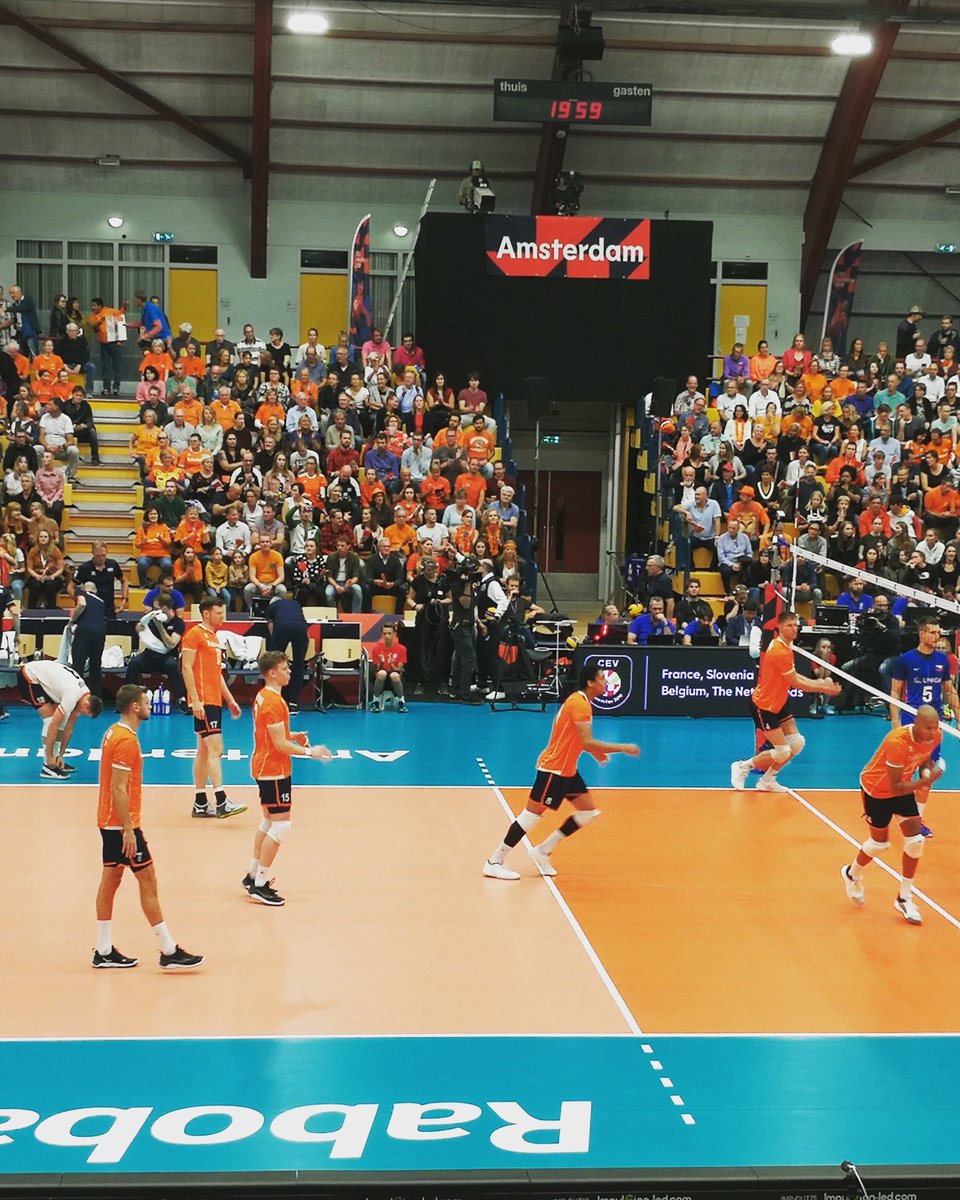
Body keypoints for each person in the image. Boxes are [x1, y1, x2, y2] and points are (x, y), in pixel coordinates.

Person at [483, 664, 640, 880]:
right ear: (590, 683)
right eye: (602, 678)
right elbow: (587, 742)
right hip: (553, 770)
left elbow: (578, 739)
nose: (606, 682)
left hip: (567, 771)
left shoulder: (581, 701)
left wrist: (595, 753)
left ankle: (542, 851)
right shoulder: (580, 705)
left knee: (587, 811)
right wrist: (623, 747)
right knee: (531, 816)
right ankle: (494, 861)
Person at [94, 684, 204, 969]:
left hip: (109, 823)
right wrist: (129, 829)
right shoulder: (126, 741)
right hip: (120, 826)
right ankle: (168, 950)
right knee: (148, 880)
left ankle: (103, 950)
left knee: (111, 880)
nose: (150, 705)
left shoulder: (113, 732)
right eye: (145, 702)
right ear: (134, 707)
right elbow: (119, 788)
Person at [240, 652, 331, 906]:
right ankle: (259, 883)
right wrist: (309, 751)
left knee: (269, 821)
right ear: (272, 673)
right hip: (274, 769)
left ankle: (251, 874)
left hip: (264, 765)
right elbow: (279, 745)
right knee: (281, 826)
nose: (289, 672)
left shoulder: (263, 696)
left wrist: (293, 735)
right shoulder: (274, 702)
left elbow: (274, 734)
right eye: (284, 668)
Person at [841, 704, 943, 925]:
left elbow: (925, 757)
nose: (933, 732)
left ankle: (904, 897)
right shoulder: (896, 742)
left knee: (916, 841)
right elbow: (895, 787)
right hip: (877, 790)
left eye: (936, 727)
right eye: (928, 728)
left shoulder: (935, 736)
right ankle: (851, 873)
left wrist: (926, 771)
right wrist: (926, 781)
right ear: (916, 724)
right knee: (880, 844)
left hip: (903, 786)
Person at [730, 610, 841, 793]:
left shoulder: (786, 647)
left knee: (797, 743)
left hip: (779, 702)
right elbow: (796, 682)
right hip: (764, 705)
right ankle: (743, 766)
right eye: (789, 625)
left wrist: (822, 684)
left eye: (796, 625)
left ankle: (768, 780)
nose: (794, 628)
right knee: (782, 751)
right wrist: (823, 686)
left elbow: (795, 677)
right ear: (780, 627)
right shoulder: (780, 650)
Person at [889, 615, 959, 837]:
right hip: (911, 722)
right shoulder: (906, 660)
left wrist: (958, 718)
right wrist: (895, 723)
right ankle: (902, 813)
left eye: (938, 632)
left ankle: (916, 821)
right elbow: (894, 692)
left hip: (933, 727)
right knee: (905, 774)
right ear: (921, 633)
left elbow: (949, 691)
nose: (936, 636)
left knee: (926, 773)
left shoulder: (942, 660)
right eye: (932, 632)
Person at [180, 596, 245, 819]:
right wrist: (195, 700)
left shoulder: (214, 638)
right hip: (203, 701)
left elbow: (216, 674)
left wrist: (230, 699)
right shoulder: (194, 635)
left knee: (204, 751)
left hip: (214, 700)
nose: (222, 616)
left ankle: (200, 803)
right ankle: (221, 801)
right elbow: (187, 668)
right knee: (216, 749)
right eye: (218, 613)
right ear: (206, 613)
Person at [18, 659, 103, 779]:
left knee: (63, 721)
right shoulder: (72, 697)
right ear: (86, 706)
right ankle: (47, 766)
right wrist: (49, 757)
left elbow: (69, 727)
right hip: (30, 675)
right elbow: (53, 725)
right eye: (84, 713)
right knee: (50, 720)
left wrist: (60, 755)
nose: (81, 714)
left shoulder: (84, 695)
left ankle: (55, 760)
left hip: (47, 679)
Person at [125, 592, 185, 710]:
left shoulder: (178, 623)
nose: (154, 611)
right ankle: (128, 699)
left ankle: (181, 699)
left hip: (167, 656)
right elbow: (140, 626)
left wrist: (160, 627)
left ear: (165, 609)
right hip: (150, 654)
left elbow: (171, 644)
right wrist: (139, 629)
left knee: (172, 665)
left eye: (157, 608)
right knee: (134, 663)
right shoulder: (153, 618)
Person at [265, 595, 309, 713]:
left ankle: (275, 699)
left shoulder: (270, 608)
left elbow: (271, 628)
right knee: (298, 664)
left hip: (282, 627)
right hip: (300, 627)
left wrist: (275, 644)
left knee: (273, 663)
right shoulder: (295, 603)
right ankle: (293, 702)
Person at [69, 580, 106, 699]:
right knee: (95, 665)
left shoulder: (81, 593)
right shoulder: (102, 602)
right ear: (95, 591)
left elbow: (82, 604)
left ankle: (78, 697)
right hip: (100, 633)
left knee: (78, 664)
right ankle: (96, 698)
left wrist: (72, 620)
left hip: (84, 632)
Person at [369, 621, 408, 712]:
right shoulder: (376, 649)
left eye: (389, 633)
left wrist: (390, 663)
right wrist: (382, 662)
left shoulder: (402, 649)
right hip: (381, 679)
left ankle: (401, 702)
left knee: (394, 675)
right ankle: (376, 701)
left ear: (394, 634)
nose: (387, 636)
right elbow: (376, 670)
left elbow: (400, 670)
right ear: (382, 635)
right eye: (384, 634)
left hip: (395, 678)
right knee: (382, 673)